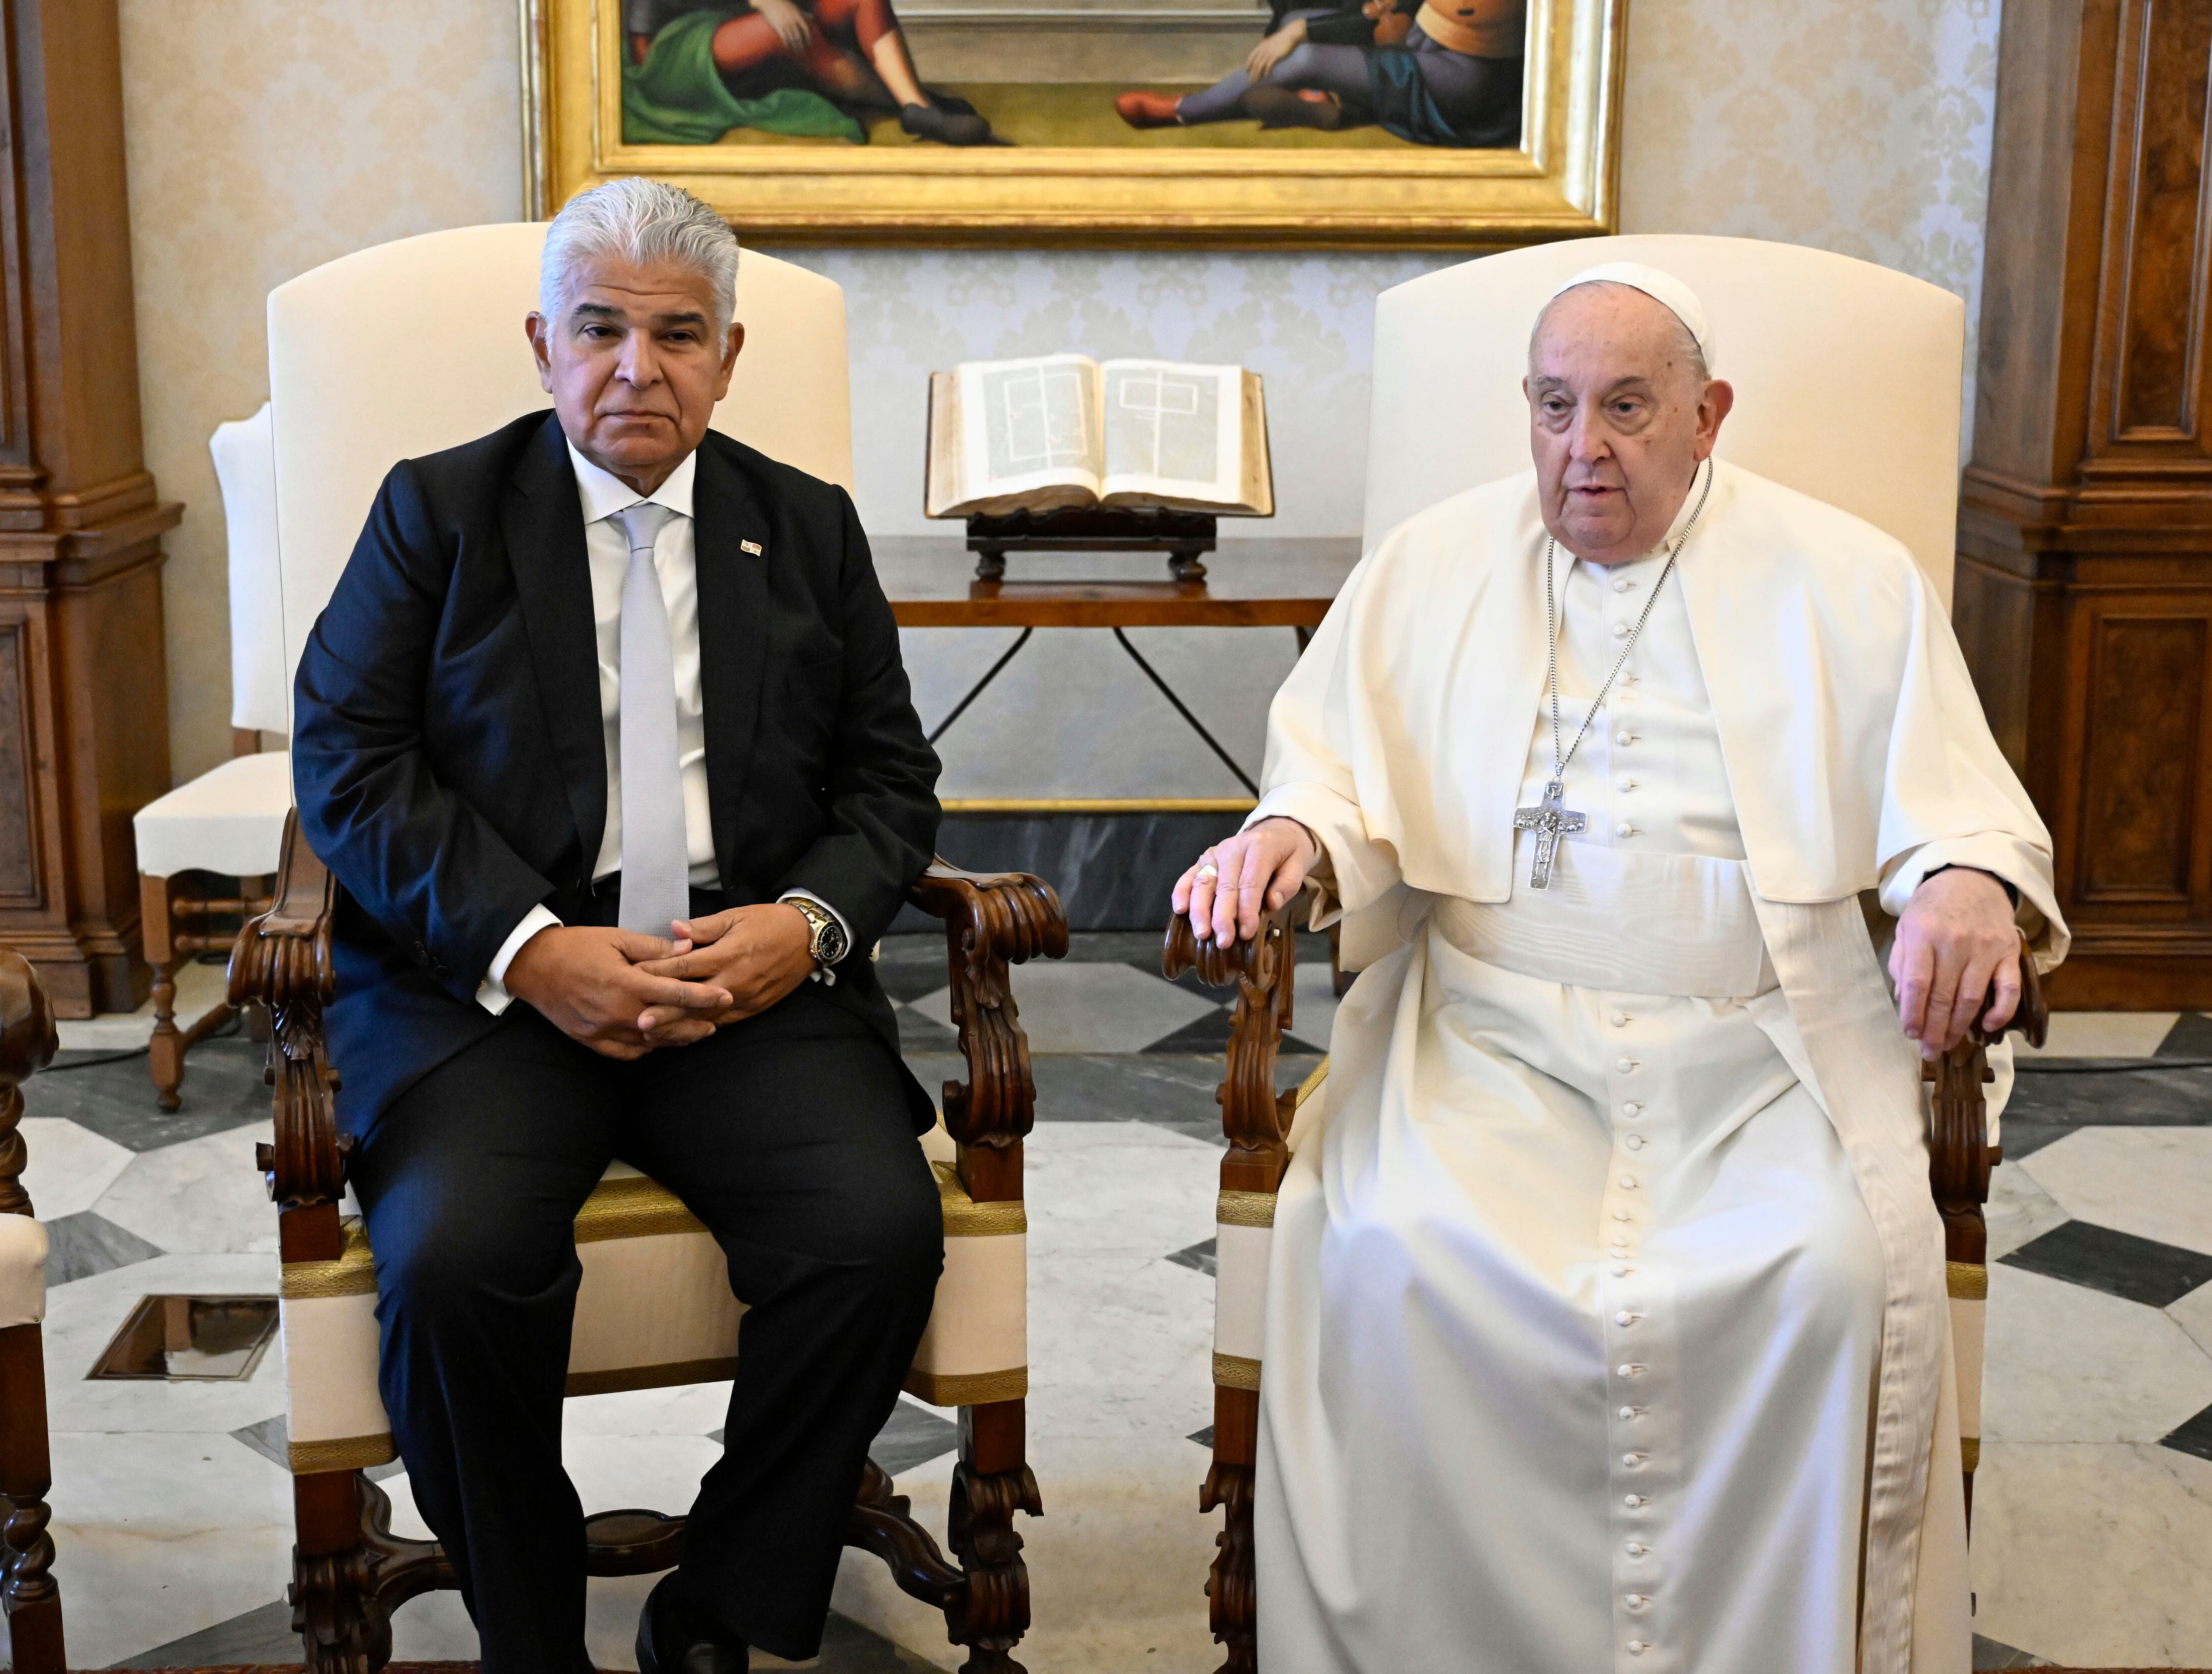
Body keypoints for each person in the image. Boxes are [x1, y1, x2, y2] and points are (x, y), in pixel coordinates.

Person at [1170, 263, 2066, 1673]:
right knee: (1392, 1249)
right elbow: (1335, 771)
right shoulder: (1429, 564)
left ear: (1707, 415)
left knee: (1825, 1271)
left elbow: (1951, 803)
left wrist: (1963, 874)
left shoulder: (1845, 575)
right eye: (1553, 406)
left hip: (1758, 1042)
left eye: (1627, 408)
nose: (1583, 448)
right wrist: (1284, 831)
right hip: (1483, 1037)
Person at [293, 179, 945, 1674]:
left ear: (727, 354)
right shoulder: (436, 511)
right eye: (599, 330)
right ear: (541, 344)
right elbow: (346, 757)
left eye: (674, 334)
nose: (634, 369)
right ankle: (530, 1635)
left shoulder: (809, 527)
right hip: (494, 994)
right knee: (459, 1261)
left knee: (870, 1232)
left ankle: (717, 1602)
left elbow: (892, 783)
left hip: (741, 982)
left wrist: (805, 926)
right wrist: (527, 945)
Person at [1114, 0, 1521, 147]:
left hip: (1456, 89)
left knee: (1304, 56)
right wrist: (1299, 26)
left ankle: (1185, 110)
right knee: (1298, 18)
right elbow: (1377, 14)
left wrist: (1301, 33)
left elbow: (1379, 22)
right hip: (1425, 48)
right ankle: (1334, 107)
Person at [624, 0, 993, 146]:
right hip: (670, 53)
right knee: (790, 34)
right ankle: (916, 107)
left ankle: (914, 103)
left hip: (731, 26)